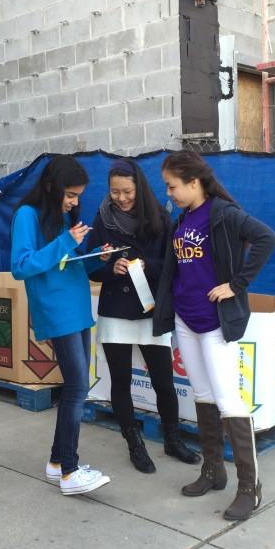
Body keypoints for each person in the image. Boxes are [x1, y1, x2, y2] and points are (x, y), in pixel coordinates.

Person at [153, 151, 275, 520]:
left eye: (173, 186)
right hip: (185, 320)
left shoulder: (221, 213)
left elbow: (266, 238)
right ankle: (213, 469)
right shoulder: (183, 218)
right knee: (203, 395)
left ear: (194, 183)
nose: (169, 193)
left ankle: (249, 487)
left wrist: (236, 285)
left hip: (214, 323)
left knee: (229, 400)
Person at [87, 158, 200, 473]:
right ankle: (134, 444)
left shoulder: (160, 218)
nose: (121, 198)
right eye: (115, 192)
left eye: (127, 192)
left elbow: (174, 266)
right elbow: (91, 266)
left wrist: (147, 266)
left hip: (151, 309)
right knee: (120, 381)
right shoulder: (102, 219)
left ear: (139, 187)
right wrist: (111, 268)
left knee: (164, 380)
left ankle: (173, 439)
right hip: (116, 312)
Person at [11, 155, 114, 496]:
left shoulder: (62, 218)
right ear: (53, 186)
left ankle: (57, 464)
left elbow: (66, 266)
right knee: (76, 388)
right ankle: (70, 471)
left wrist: (95, 256)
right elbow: (22, 266)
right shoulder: (28, 216)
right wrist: (66, 242)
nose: (75, 201)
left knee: (76, 386)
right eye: (70, 194)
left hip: (77, 307)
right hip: (56, 310)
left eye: (78, 196)